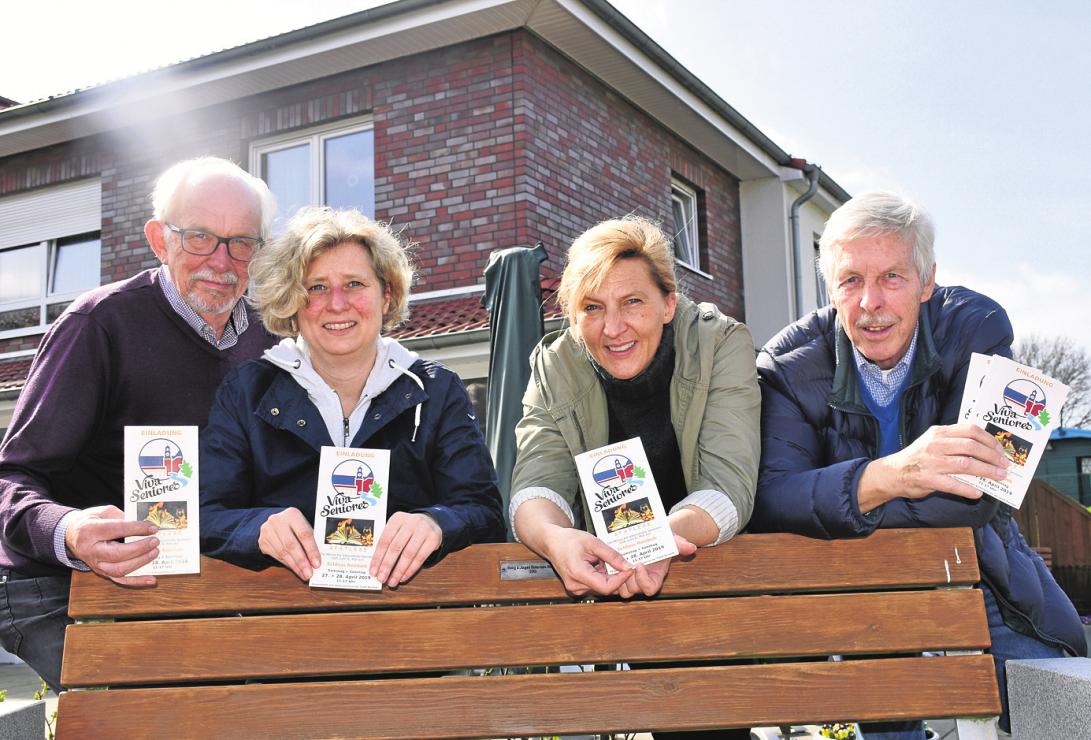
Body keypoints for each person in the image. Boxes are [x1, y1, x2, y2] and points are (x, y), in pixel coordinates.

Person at [750, 190, 1087, 736]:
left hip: (978, 574)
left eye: (892, 278)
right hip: (856, 588)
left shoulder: (977, 329)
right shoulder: (789, 364)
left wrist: (843, 505)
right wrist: (891, 475)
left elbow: (977, 497)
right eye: (851, 280)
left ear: (927, 283)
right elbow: (770, 500)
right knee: (880, 698)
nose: (870, 303)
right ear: (830, 288)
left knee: (1062, 704)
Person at [0, 157, 278, 691]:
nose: (221, 261)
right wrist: (70, 530)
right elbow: (11, 479)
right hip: (59, 581)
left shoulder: (270, 342)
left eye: (240, 242)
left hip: (196, 582)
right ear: (159, 239)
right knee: (152, 711)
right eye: (199, 237)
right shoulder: (97, 325)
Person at [199, 207, 504, 585]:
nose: (337, 304)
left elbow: (485, 513)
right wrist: (256, 527)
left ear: (387, 296)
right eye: (317, 287)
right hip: (279, 623)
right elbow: (203, 515)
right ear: (292, 302)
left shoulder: (436, 390)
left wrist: (436, 522)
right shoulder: (247, 391)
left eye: (355, 284)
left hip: (413, 625)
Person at [510, 216, 760, 600]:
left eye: (632, 302)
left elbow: (728, 486)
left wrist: (654, 542)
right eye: (592, 308)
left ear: (668, 304)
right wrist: (553, 538)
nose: (612, 328)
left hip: (724, 586)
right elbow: (537, 481)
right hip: (611, 589)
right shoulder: (555, 364)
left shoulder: (719, 344)